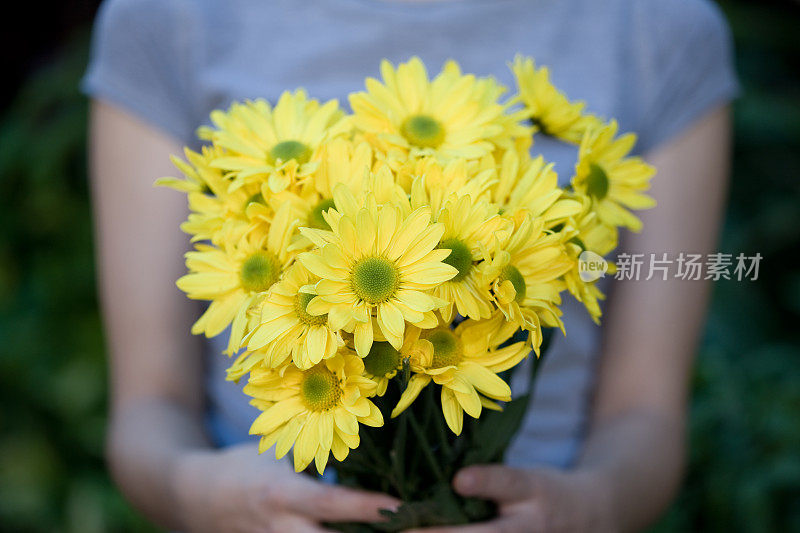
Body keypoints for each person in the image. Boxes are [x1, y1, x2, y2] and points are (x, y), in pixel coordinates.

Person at [83, 0, 738, 531]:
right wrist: (192, 493)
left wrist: (593, 507)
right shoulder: (165, 18)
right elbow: (148, 409)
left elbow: (647, 412)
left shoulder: (664, 29)